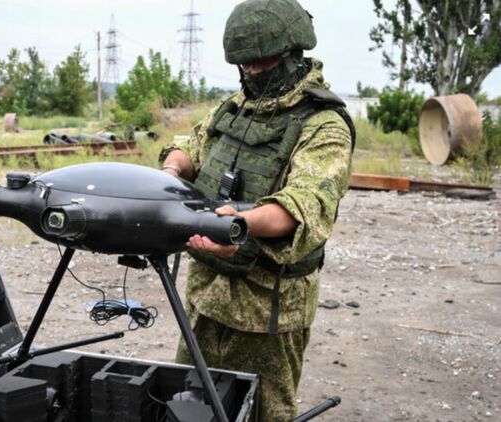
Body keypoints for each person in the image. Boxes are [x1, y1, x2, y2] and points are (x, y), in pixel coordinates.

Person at [158, 0, 355, 420]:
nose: (252, 71)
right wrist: (172, 170)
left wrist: (239, 225)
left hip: (267, 313)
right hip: (205, 299)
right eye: (244, 64)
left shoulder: (324, 125)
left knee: (263, 412)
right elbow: (191, 149)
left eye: (261, 62)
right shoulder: (233, 108)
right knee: (188, 407)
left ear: (292, 54)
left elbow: (303, 206)